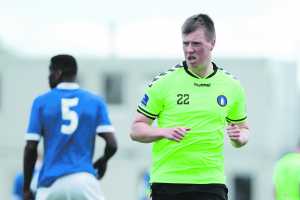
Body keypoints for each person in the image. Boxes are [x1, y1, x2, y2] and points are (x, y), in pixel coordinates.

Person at [130, 13, 250, 200]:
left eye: (196, 44)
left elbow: (243, 130)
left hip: (211, 183)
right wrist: (163, 132)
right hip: (168, 182)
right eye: (185, 44)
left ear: (212, 43)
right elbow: (136, 129)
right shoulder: (163, 83)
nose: (189, 50)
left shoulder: (232, 86)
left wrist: (239, 138)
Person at [23, 54, 117, 200]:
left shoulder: (41, 102)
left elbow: (30, 147)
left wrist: (26, 188)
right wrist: (103, 160)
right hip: (83, 180)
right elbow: (112, 145)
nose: (49, 77)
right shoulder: (95, 101)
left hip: (51, 183)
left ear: (58, 73)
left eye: (50, 72)